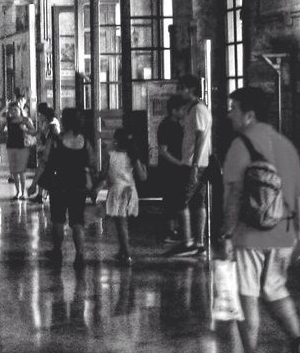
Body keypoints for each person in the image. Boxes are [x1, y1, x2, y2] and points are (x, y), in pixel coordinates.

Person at [218, 87, 300, 353]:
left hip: (250, 235)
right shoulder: (284, 143)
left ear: (249, 115)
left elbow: (234, 196)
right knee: (275, 289)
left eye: (233, 108)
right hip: (284, 232)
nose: (230, 113)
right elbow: (298, 195)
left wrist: (226, 234)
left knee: (246, 292)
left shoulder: (239, 145)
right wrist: (299, 233)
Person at [31, 108, 95, 267]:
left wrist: (34, 183)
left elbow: (44, 163)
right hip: (78, 186)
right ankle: (80, 255)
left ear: (65, 121)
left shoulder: (55, 140)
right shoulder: (84, 141)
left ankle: (57, 251)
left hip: (59, 184)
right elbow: (92, 163)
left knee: (58, 220)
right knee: (77, 221)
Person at [165, 75, 213, 257]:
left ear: (191, 89)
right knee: (197, 201)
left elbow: (200, 137)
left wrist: (193, 164)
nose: (179, 91)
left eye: (182, 87)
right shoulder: (194, 109)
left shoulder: (198, 110)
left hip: (194, 163)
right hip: (199, 162)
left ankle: (188, 242)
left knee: (181, 200)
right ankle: (198, 242)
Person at [97, 128, 147, 266]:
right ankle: (122, 250)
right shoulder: (133, 156)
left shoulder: (110, 155)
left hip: (116, 191)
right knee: (123, 223)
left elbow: (103, 175)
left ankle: (126, 253)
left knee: (121, 225)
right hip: (130, 190)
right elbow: (142, 177)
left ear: (116, 141)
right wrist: (143, 166)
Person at [157, 95, 188, 242]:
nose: (184, 112)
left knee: (172, 200)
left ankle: (172, 230)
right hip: (170, 169)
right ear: (174, 110)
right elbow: (163, 150)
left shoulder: (175, 124)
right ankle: (169, 231)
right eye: (182, 109)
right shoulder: (167, 125)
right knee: (171, 200)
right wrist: (179, 163)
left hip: (173, 166)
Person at [27, 103, 60, 203]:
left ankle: (40, 193)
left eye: (40, 114)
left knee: (44, 172)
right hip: (45, 150)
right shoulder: (47, 122)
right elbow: (40, 134)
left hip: (50, 152)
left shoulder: (53, 125)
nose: (39, 116)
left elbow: (52, 139)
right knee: (42, 172)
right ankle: (40, 194)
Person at [3, 100, 36, 200]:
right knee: (14, 171)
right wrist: (5, 107)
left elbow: (34, 131)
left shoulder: (25, 120)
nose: (13, 112)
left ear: (20, 109)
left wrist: (25, 129)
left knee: (21, 171)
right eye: (11, 110)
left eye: (15, 109)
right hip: (11, 146)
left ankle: (23, 193)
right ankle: (17, 192)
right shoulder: (9, 119)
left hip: (22, 147)